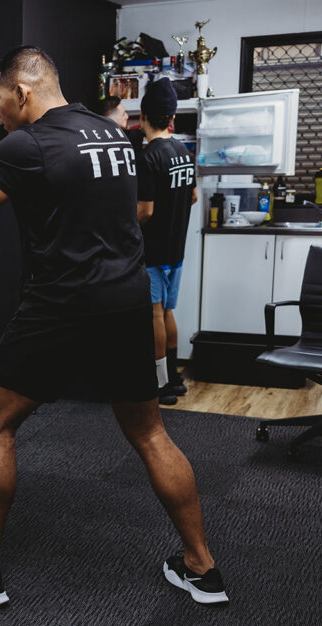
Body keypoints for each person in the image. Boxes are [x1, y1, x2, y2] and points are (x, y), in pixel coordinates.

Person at [0, 46, 227, 607]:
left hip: (61, 303)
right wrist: (1, 146)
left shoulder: (30, 143)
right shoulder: (112, 134)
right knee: (151, 433)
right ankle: (202, 567)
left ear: (22, 93)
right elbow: (110, 206)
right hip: (128, 299)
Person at [135, 79, 197, 405]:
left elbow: (145, 211)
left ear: (144, 116)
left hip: (154, 251)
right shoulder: (183, 153)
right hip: (177, 250)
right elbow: (194, 196)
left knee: (155, 315)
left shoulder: (149, 158)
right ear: (171, 117)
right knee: (169, 312)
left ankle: (160, 385)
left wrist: (124, 228)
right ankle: (174, 378)